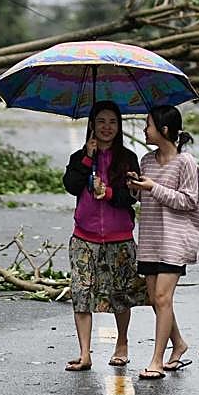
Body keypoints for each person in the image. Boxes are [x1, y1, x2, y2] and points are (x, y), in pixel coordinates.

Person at [61, 100, 148, 371]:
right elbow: (71, 185)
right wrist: (88, 158)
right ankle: (85, 353)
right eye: (101, 121)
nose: (107, 127)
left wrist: (108, 193)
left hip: (119, 237)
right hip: (84, 237)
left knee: (121, 294)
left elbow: (131, 198)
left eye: (112, 122)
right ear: (92, 125)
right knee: (81, 292)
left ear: (119, 126)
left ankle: (122, 343)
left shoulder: (128, 158)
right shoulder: (80, 157)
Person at [129, 104, 199, 381]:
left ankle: (157, 360)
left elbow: (188, 201)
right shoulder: (146, 161)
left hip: (175, 239)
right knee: (154, 299)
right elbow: (144, 199)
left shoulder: (186, 163)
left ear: (163, 129)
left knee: (162, 298)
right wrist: (136, 188)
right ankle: (179, 343)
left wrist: (153, 188)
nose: (144, 130)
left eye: (147, 125)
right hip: (150, 238)